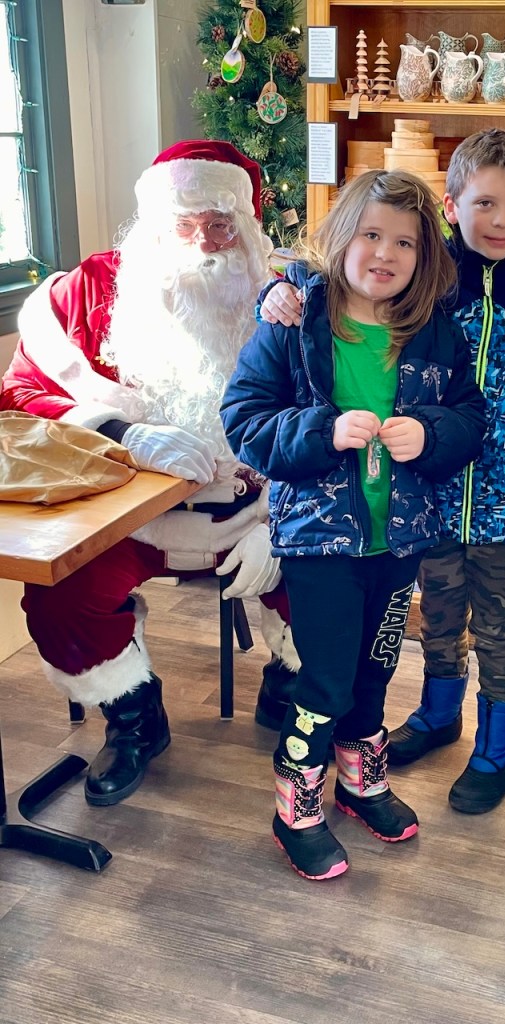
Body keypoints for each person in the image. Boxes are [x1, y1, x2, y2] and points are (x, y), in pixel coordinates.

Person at [259, 128, 505, 817]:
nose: (499, 221)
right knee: (436, 618)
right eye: (484, 204)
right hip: (429, 500)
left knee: (502, 628)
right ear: (452, 204)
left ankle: (495, 751)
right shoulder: (425, 279)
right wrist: (286, 290)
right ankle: (438, 715)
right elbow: (340, 276)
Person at [0, 139, 298, 807]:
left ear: (247, 226)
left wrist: (281, 519)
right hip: (128, 520)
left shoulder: (289, 292)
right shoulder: (88, 293)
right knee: (59, 596)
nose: (202, 245)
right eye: (183, 226)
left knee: (331, 573)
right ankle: (134, 715)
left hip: (258, 513)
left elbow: (339, 419)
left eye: (220, 225)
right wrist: (122, 432)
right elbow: (21, 397)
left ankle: (291, 682)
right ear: (153, 226)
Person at [220, 169, 486, 881]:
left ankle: (361, 782)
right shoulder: (291, 320)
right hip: (320, 541)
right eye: (370, 234)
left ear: (425, 254)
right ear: (339, 237)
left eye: (404, 241)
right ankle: (295, 805)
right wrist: (323, 430)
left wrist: (429, 435)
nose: (385, 253)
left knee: (373, 675)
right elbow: (243, 419)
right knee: (329, 681)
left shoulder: (435, 331)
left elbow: (469, 420)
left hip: (399, 540)